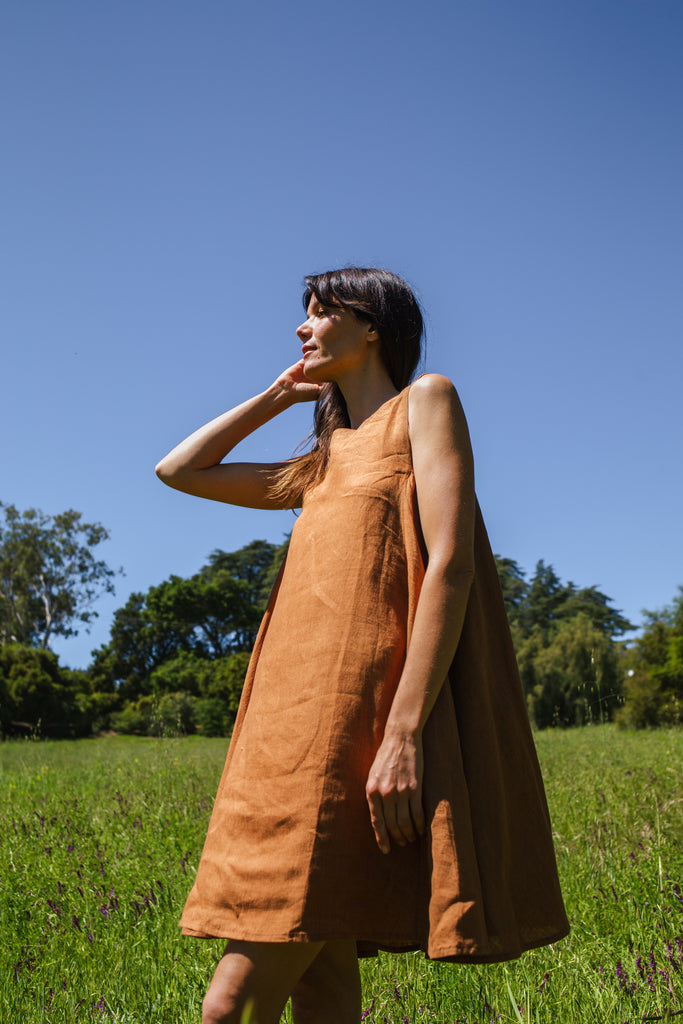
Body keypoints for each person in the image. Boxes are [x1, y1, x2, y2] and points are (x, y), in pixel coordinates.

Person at [155, 267, 569, 1024]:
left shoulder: (424, 402)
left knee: (230, 1005)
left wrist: (404, 732)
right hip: (281, 732)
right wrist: (281, 396)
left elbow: (451, 563)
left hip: (361, 724)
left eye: (320, 312)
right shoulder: (317, 464)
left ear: (372, 325)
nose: (301, 327)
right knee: (322, 981)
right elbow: (179, 470)